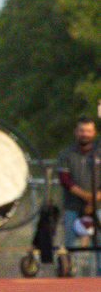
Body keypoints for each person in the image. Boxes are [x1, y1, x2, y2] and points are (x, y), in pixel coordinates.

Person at [53, 117, 99, 277]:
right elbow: (64, 179)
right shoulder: (66, 154)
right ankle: (69, 279)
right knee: (70, 245)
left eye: (88, 130)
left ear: (94, 133)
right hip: (72, 206)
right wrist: (87, 197)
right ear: (76, 132)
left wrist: (94, 200)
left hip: (99, 208)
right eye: (81, 130)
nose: (84, 134)